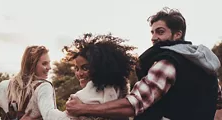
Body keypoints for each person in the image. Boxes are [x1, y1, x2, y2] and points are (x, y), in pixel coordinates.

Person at [65, 7, 222, 120]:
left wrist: (82, 108)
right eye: (152, 32)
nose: (153, 37)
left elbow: (133, 104)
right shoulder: (205, 66)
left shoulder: (168, 62)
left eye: (160, 31)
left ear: (177, 35)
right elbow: (218, 104)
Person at [0, 45, 68, 120]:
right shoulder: (43, 87)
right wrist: (72, 115)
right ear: (32, 65)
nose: (49, 67)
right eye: (44, 63)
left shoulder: (5, 87)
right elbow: (50, 115)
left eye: (49, 63)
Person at [62, 33, 137, 120]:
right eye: (76, 69)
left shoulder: (110, 91)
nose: (79, 73)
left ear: (100, 68)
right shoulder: (95, 92)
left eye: (85, 68)